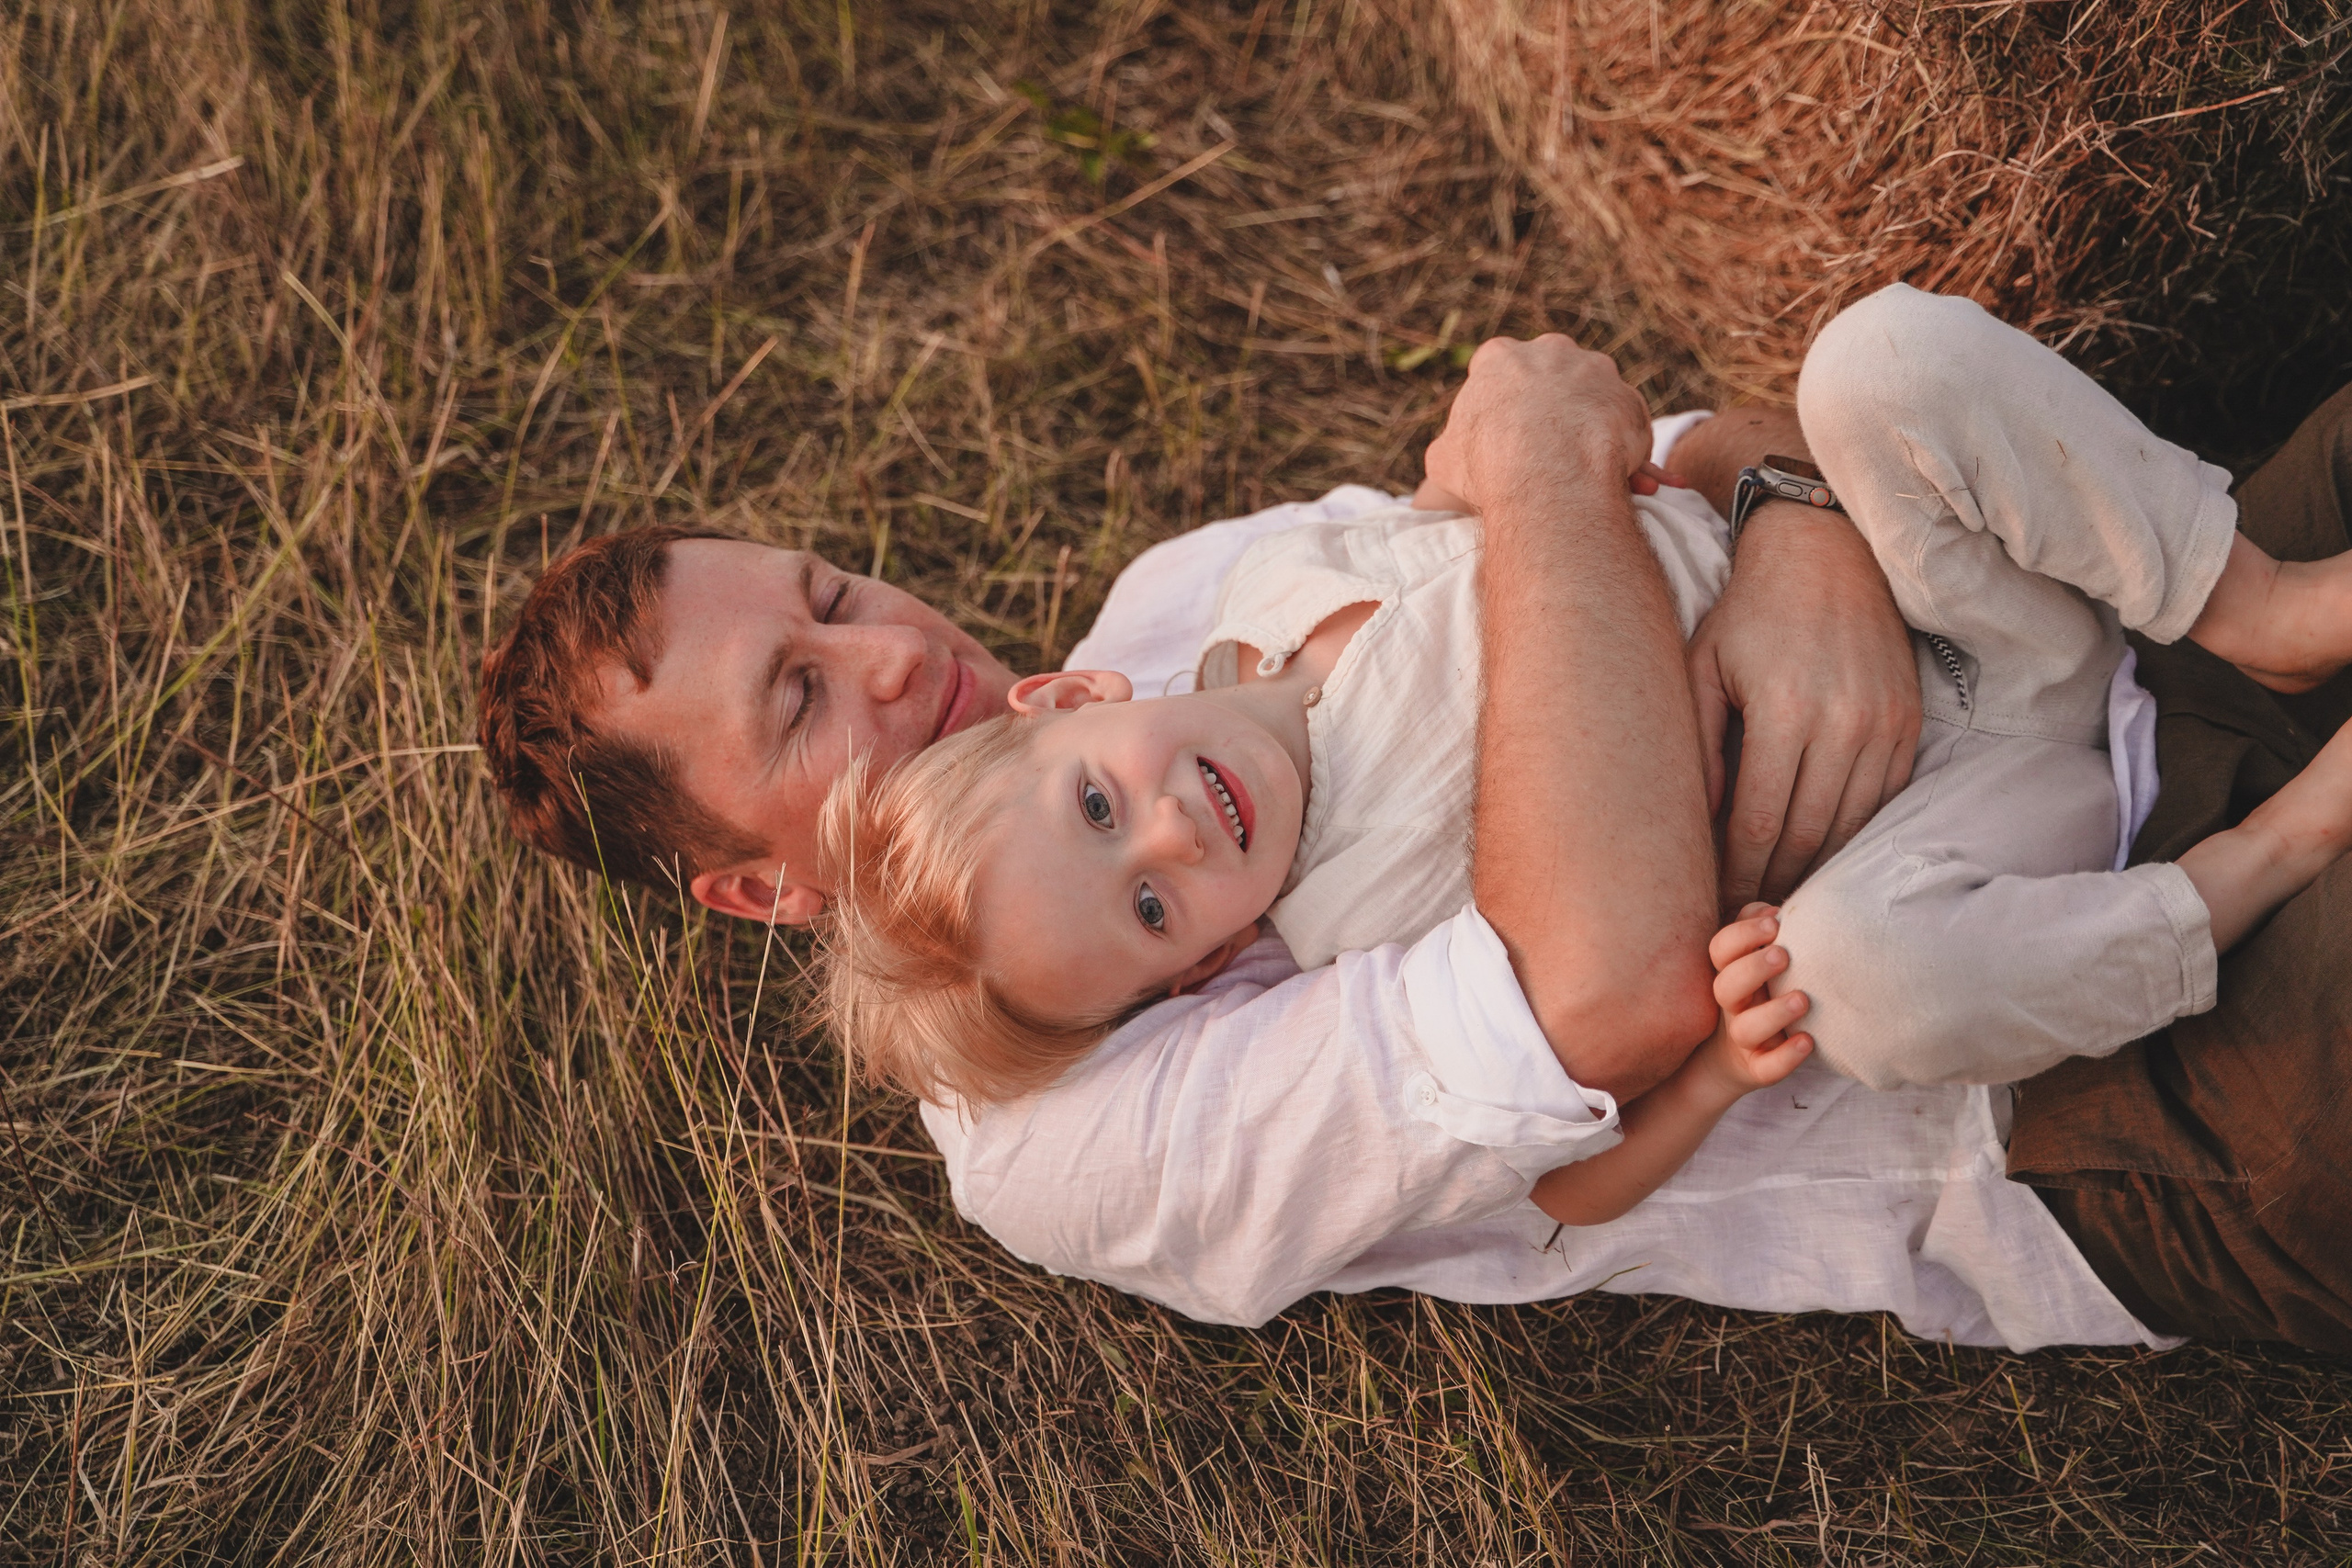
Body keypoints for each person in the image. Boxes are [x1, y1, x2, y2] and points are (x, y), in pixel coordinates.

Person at [477, 290, 2352, 1353]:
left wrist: (1785, 516)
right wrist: (1545, 468)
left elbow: (1673, 427)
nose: (883, 657)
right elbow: (1607, 989)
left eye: (828, 593)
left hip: (2093, 664)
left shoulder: (1179, 600)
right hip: (2084, 1071)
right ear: (745, 885)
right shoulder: (1046, 1117)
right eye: (798, 700)